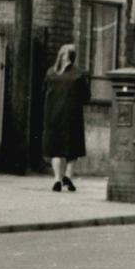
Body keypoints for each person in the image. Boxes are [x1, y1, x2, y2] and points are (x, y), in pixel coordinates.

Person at [42, 43, 90, 192]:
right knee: (72, 149)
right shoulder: (78, 74)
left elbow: (43, 91)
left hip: (53, 116)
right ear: (73, 57)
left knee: (56, 149)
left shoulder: (51, 73)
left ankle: (57, 178)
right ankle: (68, 176)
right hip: (72, 116)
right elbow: (86, 96)